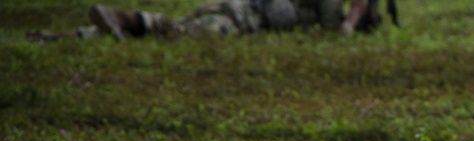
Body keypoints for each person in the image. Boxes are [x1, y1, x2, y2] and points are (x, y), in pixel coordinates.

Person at [29, 0, 397, 43]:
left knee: (173, 27)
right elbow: (339, 29)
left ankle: (66, 36)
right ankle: (131, 17)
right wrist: (356, 11)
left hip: (230, 8)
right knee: (175, 31)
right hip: (239, 17)